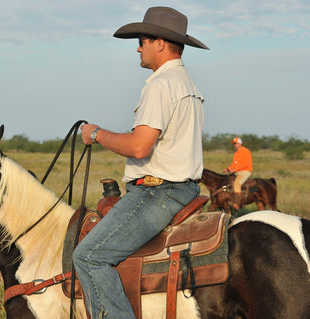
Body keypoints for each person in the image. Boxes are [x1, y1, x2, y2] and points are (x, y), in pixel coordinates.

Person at [72, 6, 208, 318]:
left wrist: (97, 133)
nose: (138, 47)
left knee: (90, 256)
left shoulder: (161, 84)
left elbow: (139, 146)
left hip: (157, 193)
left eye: (143, 41)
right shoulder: (189, 86)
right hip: (184, 188)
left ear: (160, 43)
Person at [223, 137, 253, 210]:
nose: (234, 145)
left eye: (235, 143)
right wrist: (228, 168)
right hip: (238, 171)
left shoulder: (246, 151)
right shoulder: (236, 153)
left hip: (245, 171)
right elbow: (234, 164)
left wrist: (234, 169)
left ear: (240, 143)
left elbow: (246, 164)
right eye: (233, 143)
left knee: (237, 183)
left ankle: (237, 203)